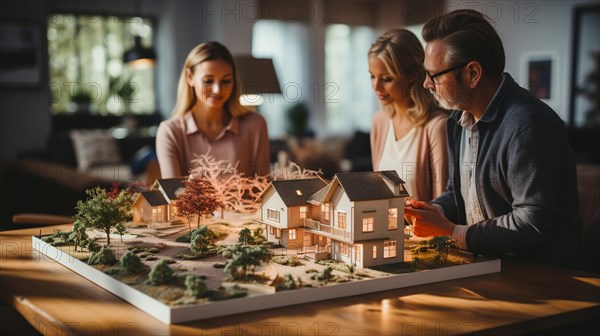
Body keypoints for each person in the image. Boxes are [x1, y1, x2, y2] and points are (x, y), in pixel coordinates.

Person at [405, 9, 582, 268]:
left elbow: (531, 224)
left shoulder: (529, 125)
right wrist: (431, 212)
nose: (426, 85)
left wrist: (449, 232)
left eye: (434, 75)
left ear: (472, 74)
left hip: (542, 278)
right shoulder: (457, 120)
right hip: (486, 267)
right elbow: (457, 195)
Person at [156, 41, 270, 178]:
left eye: (226, 81)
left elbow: (264, 191)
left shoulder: (256, 125)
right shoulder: (170, 132)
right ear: (189, 77)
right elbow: (174, 197)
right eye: (208, 81)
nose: (218, 90)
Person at [369, 28, 448, 201]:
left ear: (413, 74)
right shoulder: (379, 122)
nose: (376, 86)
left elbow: (442, 205)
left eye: (386, 78)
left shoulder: (436, 126)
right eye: (372, 76)